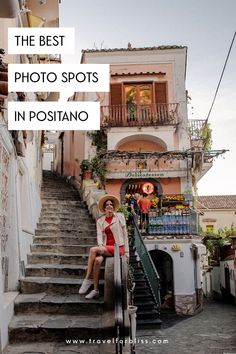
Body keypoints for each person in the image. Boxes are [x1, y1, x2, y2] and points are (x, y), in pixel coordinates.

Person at [79, 194, 129, 299]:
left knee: (93, 249)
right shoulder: (100, 221)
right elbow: (99, 235)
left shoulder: (119, 217)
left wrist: (127, 252)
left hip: (117, 248)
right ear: (104, 208)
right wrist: (101, 246)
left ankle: (87, 279)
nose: (109, 206)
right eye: (107, 205)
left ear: (114, 207)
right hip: (106, 247)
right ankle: (96, 290)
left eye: (111, 204)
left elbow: (125, 234)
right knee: (97, 261)